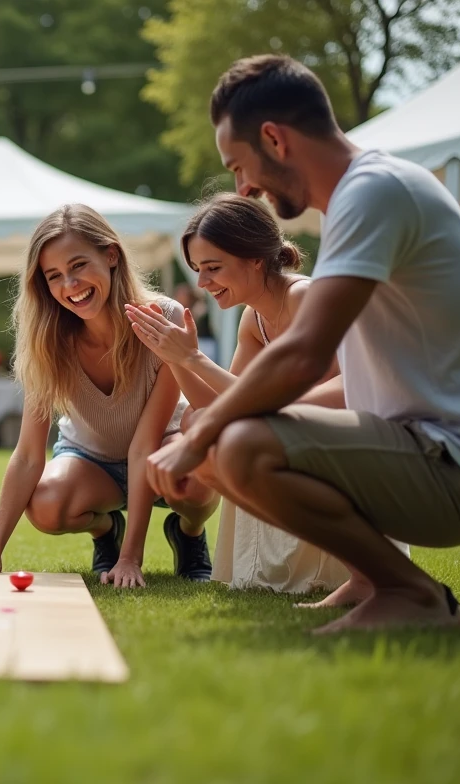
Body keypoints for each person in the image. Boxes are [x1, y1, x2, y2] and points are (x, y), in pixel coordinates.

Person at [147, 54, 460, 632]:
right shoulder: (363, 195)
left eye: (240, 166)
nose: (244, 188)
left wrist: (200, 435)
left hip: (454, 469)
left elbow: (303, 356)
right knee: (222, 440)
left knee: (236, 444)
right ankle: (369, 580)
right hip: (422, 453)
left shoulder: (373, 192)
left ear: (275, 139)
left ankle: (412, 594)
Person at [0, 204, 219, 587]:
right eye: (54, 276)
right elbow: (28, 454)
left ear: (111, 255)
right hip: (92, 462)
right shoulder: (45, 340)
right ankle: (106, 528)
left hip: (160, 451)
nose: (70, 284)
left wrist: (131, 559)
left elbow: (144, 445)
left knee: (200, 477)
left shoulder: (163, 318)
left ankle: (188, 532)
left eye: (78, 265)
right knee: (46, 505)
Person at [127, 193, 352, 594]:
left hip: (343, 438)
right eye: (198, 270)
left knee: (217, 429)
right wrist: (172, 358)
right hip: (293, 431)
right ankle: (264, 566)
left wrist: (193, 358)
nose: (202, 283)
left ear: (255, 259)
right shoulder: (255, 318)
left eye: (213, 268)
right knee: (199, 422)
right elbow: (218, 407)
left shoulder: (303, 297)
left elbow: (324, 394)